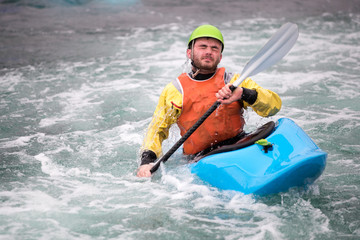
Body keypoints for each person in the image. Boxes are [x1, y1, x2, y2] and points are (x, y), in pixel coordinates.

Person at [137, 24, 282, 177]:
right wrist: (147, 161)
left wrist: (244, 94)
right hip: (200, 159)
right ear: (189, 52)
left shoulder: (234, 81)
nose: (208, 52)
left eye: (214, 48)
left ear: (220, 56)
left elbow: (274, 107)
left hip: (239, 145)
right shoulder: (175, 90)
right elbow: (157, 130)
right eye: (202, 47)